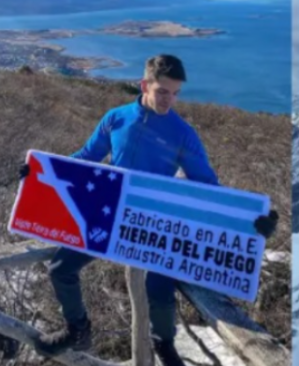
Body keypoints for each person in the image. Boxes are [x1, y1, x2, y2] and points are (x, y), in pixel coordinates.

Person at [21, 54, 279, 365]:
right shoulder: (116, 118)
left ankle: (165, 346)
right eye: (163, 91)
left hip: (154, 222)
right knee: (61, 269)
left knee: (159, 291)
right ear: (144, 85)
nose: (169, 100)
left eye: (175, 93)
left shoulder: (182, 133)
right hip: (107, 210)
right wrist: (37, 172)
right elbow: (86, 157)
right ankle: (77, 329)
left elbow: (208, 187)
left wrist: (251, 220)